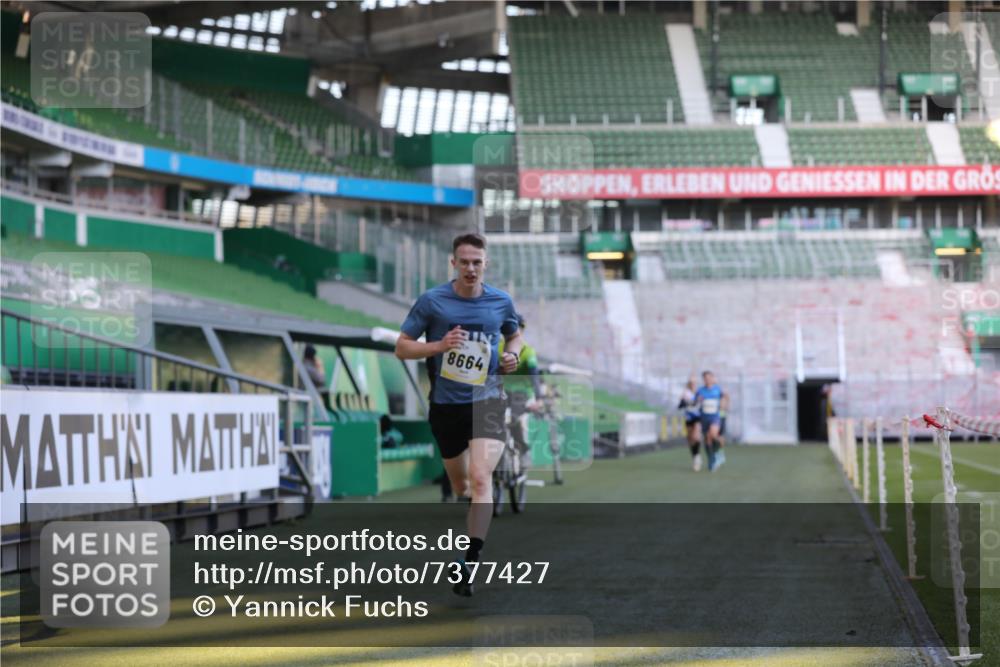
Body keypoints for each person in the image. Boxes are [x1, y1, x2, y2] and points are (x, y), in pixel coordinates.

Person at [395, 232, 523, 597]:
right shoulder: (433, 301)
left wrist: (513, 354)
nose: (470, 268)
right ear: (453, 263)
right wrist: (439, 345)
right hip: (446, 406)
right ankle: (469, 531)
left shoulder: (501, 301)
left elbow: (515, 336)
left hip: (489, 401)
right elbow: (401, 348)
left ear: (486, 264)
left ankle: (469, 560)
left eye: (477, 262)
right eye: (464, 262)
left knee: (481, 477)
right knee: (461, 485)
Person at [499, 314, 542, 469]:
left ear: (521, 331)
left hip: (521, 394)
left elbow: (534, 376)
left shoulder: (528, 352)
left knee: (515, 420)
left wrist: (539, 399)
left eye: (517, 328)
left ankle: (522, 450)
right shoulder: (498, 348)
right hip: (501, 392)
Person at [694, 371, 728, 471]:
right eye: (705, 378)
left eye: (709, 377)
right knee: (707, 439)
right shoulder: (700, 391)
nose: (707, 380)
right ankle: (711, 459)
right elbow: (695, 402)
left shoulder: (718, 389)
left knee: (713, 434)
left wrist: (724, 406)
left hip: (715, 417)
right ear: (703, 379)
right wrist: (698, 400)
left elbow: (725, 398)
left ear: (713, 378)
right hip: (704, 417)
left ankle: (720, 453)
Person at [677, 377, 702, 471]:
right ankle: (695, 457)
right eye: (691, 383)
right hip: (688, 418)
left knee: (696, 437)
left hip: (697, 418)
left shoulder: (699, 393)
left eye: (694, 383)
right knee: (690, 439)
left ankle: (697, 458)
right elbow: (680, 406)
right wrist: (683, 401)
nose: (692, 385)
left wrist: (693, 402)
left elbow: (700, 404)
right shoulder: (685, 393)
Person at [303, 345, 331, 414]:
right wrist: (320, 366)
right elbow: (321, 380)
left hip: (309, 395)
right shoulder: (307, 366)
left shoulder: (308, 365)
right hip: (307, 395)